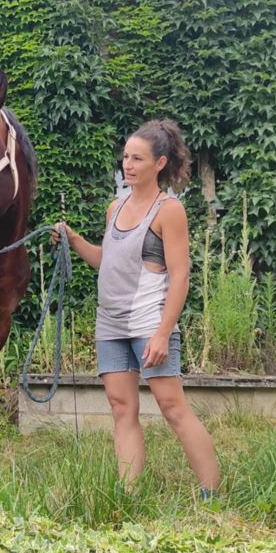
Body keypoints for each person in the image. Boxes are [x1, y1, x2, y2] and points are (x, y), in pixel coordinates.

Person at [53, 119, 220, 498]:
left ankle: (212, 496)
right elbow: (107, 261)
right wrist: (74, 240)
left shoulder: (169, 210)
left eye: (137, 159)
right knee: (120, 408)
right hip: (110, 326)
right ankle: (128, 496)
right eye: (126, 157)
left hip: (149, 325)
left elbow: (180, 277)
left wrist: (163, 333)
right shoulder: (116, 207)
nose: (127, 165)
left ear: (160, 163)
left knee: (172, 407)